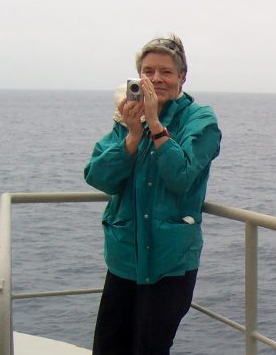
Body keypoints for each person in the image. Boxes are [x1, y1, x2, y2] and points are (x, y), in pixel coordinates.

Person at [84, 34, 221, 355]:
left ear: (182, 77)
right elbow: (98, 177)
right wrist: (132, 135)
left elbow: (182, 177)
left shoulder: (200, 120)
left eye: (166, 72)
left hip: (169, 261)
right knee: (108, 346)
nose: (156, 78)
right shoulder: (128, 119)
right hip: (125, 258)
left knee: (149, 347)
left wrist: (155, 124)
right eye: (148, 71)